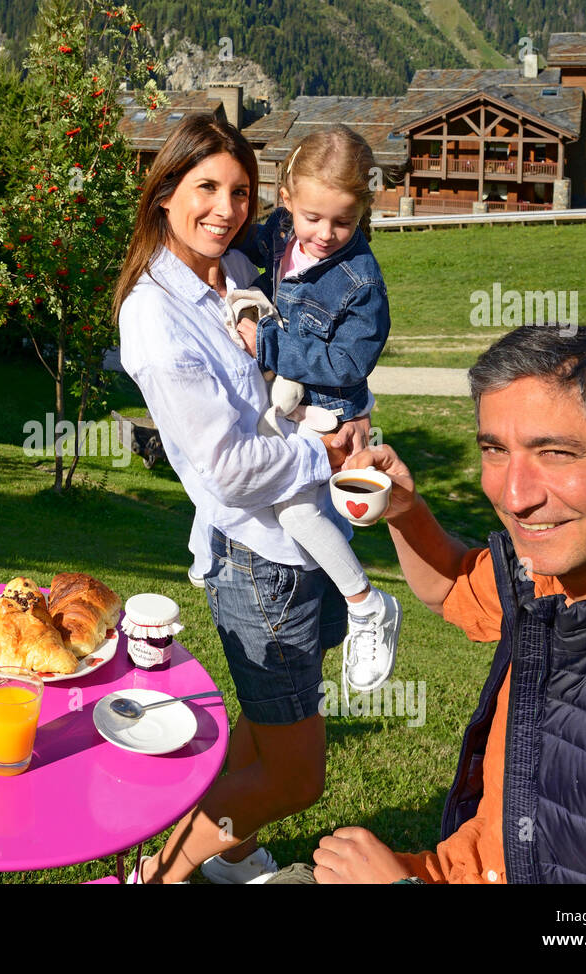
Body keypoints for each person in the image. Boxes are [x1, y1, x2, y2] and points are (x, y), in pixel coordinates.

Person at [269, 324, 586, 884]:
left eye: (555, 453)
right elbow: (452, 589)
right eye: (495, 450)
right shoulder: (557, 568)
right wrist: (404, 510)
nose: (515, 498)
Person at [113, 113, 374, 884]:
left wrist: (342, 427)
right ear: (165, 193)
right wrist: (318, 452)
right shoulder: (155, 315)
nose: (225, 209)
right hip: (261, 560)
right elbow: (227, 469)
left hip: (300, 543)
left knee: (264, 740)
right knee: (298, 778)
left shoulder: (232, 274)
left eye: (239, 191)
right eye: (205, 189)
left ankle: (222, 851)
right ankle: (157, 875)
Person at [223, 124, 400, 693]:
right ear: (288, 200)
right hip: (288, 403)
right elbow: (229, 255)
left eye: (343, 222)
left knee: (295, 512)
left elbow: (348, 364)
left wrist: (266, 343)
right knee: (308, 517)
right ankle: (338, 607)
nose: (325, 234)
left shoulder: (361, 281)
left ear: (362, 212)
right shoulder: (276, 234)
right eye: (313, 218)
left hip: (329, 407)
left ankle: (368, 605)